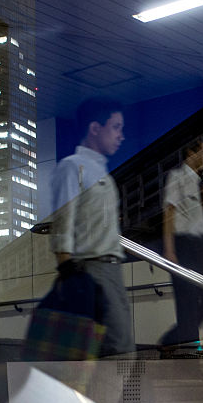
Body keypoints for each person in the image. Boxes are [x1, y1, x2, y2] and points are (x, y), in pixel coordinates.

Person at [38, 98, 133, 357]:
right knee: (118, 349)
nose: (121, 136)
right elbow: (63, 219)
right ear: (95, 128)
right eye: (115, 127)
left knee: (113, 349)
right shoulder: (73, 166)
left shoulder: (102, 173)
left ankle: (101, 397)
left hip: (110, 269)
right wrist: (67, 269)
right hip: (91, 269)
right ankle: (104, 398)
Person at [159, 137, 203, 350]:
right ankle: (189, 357)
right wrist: (169, 249)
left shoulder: (198, 183)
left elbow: (193, 216)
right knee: (187, 304)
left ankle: (170, 341)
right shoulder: (177, 177)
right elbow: (169, 213)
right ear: (191, 154)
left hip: (197, 247)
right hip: (182, 246)